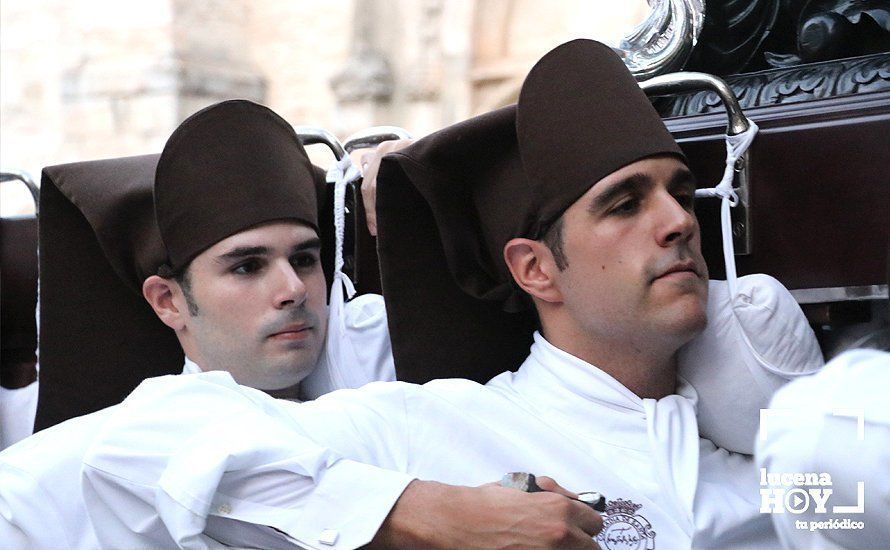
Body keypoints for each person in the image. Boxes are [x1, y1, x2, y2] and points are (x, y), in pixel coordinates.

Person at [80, 40, 785, 549]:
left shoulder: (774, 474)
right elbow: (136, 449)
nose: (677, 222)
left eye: (683, 193)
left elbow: (853, 517)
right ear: (536, 269)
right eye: (625, 204)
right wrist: (419, 512)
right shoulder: (427, 428)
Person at [0, 100, 394, 548]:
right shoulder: (44, 489)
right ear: (168, 301)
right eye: (247, 267)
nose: (294, 288)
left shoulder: (401, 409)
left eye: (304, 259)